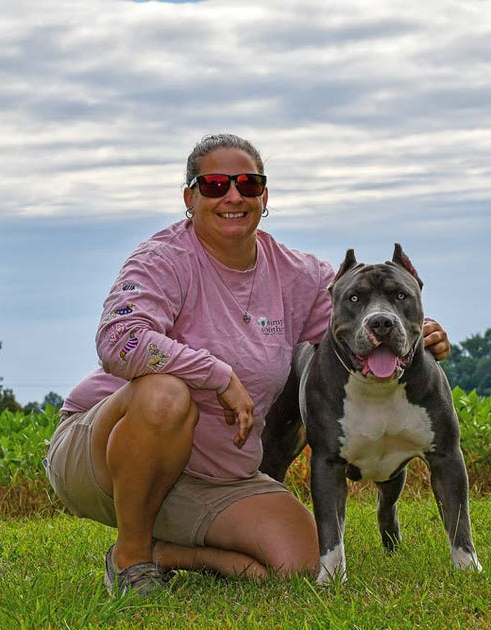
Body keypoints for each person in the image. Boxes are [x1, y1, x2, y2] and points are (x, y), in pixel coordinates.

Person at [44, 134, 452, 597]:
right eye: (215, 185)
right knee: (166, 393)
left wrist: (415, 332)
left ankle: (165, 552)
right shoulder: (162, 260)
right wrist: (216, 375)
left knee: (300, 562)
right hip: (101, 454)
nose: (233, 196)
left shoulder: (297, 274)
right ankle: (132, 558)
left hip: (217, 474)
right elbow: (119, 340)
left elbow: (355, 323)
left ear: (265, 196)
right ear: (189, 198)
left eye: (249, 184)